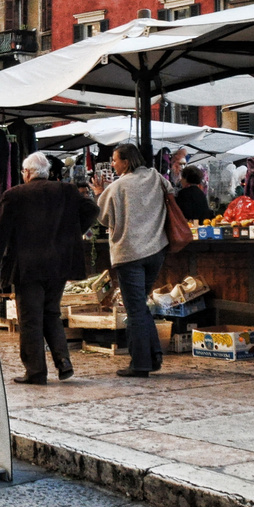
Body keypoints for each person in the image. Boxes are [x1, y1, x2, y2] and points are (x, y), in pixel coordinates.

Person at [0, 150, 100, 384]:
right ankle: (63, 362)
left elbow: (0, 232)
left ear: (27, 173)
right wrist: (71, 233)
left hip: (27, 266)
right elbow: (92, 210)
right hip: (58, 264)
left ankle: (36, 371)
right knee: (51, 313)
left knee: (30, 318)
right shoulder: (66, 190)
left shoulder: (14, 195)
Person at [91, 142, 169, 378]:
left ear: (126, 161)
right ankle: (154, 355)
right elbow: (171, 191)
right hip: (156, 250)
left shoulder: (118, 186)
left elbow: (103, 217)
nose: (113, 164)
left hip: (130, 254)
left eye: (115, 160)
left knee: (134, 309)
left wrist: (98, 194)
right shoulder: (156, 177)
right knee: (140, 305)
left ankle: (140, 363)